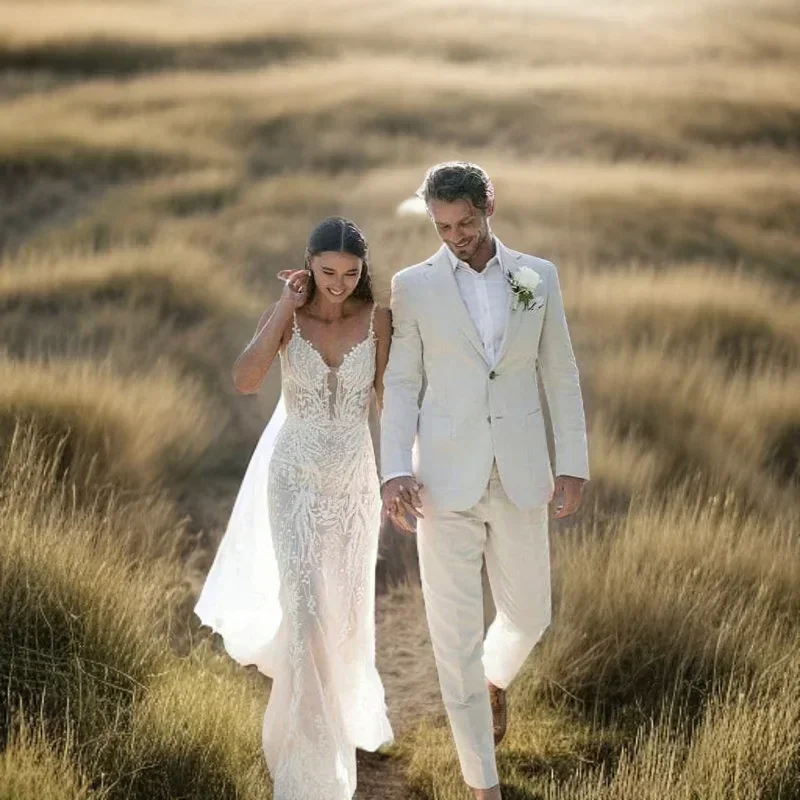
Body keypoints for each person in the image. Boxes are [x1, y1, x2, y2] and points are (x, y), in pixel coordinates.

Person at [380, 162, 589, 800]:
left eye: (466, 222)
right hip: (442, 479)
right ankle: (483, 785)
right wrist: (393, 469)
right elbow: (404, 382)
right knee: (454, 638)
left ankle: (494, 680)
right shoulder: (412, 287)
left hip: (523, 473)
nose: (456, 236)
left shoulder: (538, 277)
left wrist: (572, 462)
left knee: (530, 615)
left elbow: (561, 373)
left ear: (489, 204)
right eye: (443, 226)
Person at [194, 217, 394, 800]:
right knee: (306, 616)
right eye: (326, 271)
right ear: (308, 264)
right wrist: (284, 307)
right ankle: (311, 776)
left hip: (353, 486)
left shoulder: (378, 320)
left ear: (362, 271)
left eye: (350, 272)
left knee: (342, 621)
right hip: (294, 480)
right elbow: (245, 379)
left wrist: (403, 475)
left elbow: (385, 401)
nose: (337, 283)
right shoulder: (289, 315)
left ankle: (316, 732)